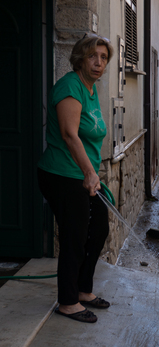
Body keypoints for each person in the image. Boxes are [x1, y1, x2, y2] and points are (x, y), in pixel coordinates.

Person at [37, 33, 114, 323]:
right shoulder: (70, 86)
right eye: (92, 56)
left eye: (104, 57)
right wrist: (90, 172)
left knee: (98, 230)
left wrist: (93, 175)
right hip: (61, 174)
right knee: (75, 236)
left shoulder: (90, 89)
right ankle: (68, 302)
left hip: (83, 174)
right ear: (80, 58)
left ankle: (83, 290)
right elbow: (70, 134)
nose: (98, 62)